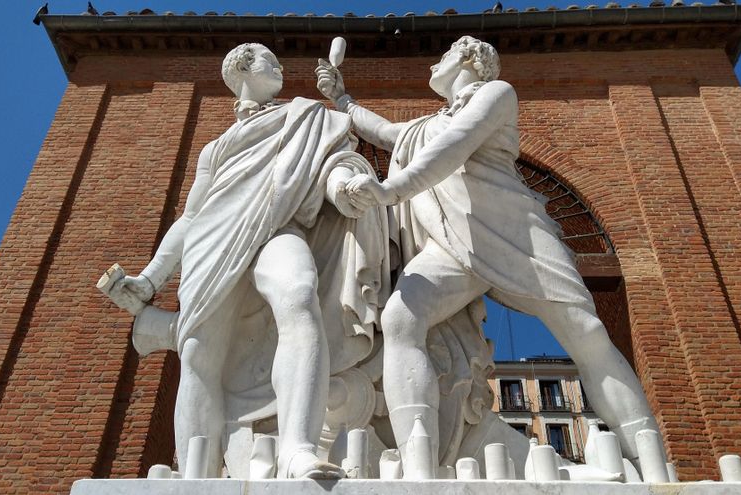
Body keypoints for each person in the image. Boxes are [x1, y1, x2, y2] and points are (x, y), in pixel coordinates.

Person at [317, 36, 661, 477]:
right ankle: (419, 457)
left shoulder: (496, 94)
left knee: (587, 333)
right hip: (454, 247)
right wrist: (342, 98)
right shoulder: (427, 125)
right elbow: (387, 133)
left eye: (442, 56)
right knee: (403, 318)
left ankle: (650, 463)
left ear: (468, 59)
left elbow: (452, 148)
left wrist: (390, 191)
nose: (433, 63)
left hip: (514, 233)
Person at [113, 43, 387, 479]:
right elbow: (191, 217)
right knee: (201, 355)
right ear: (241, 67)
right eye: (267, 58)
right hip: (212, 245)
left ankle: (297, 447)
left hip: (280, 230)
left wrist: (343, 189)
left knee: (299, 295)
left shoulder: (306, 117)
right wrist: (148, 281)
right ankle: (196, 472)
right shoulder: (215, 149)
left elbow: (332, 161)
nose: (279, 63)